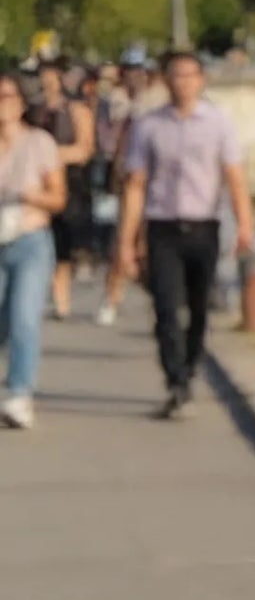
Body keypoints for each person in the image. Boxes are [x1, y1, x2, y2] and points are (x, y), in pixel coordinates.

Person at [116, 51, 255, 419]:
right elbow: (135, 185)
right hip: (162, 227)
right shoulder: (148, 127)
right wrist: (127, 242)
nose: (184, 83)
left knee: (198, 308)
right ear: (165, 80)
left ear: (201, 79)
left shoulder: (219, 123)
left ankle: (191, 363)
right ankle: (176, 380)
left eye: (190, 76)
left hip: (204, 226)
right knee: (165, 307)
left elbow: (235, 176)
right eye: (176, 76)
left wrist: (245, 225)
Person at [1, 72, 67, 429]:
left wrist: (31, 196)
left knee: (25, 318)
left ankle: (18, 395)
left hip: (30, 240)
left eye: (9, 97)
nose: (3, 104)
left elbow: (59, 198)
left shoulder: (39, 142)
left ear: (23, 103)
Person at [96, 55, 163, 327]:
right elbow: (108, 143)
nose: (136, 77)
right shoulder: (115, 103)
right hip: (128, 179)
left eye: (141, 71)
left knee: (151, 241)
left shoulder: (157, 102)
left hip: (157, 181)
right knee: (123, 239)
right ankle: (112, 297)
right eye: (131, 71)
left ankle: (157, 300)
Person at [28, 59, 95, 321]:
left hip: (69, 183)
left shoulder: (76, 110)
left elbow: (85, 149)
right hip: (36, 184)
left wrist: (50, 156)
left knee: (63, 246)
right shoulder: (33, 111)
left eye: (52, 77)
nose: (47, 83)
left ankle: (61, 299)